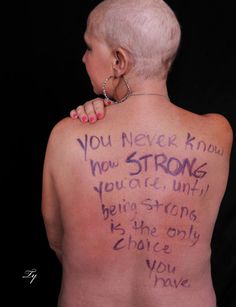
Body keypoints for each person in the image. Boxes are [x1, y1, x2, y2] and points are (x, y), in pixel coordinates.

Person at [41, 0, 233, 306]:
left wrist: (110, 108)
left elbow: (57, 241)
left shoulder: (66, 135)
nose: (83, 58)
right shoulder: (218, 133)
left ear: (119, 60)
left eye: (89, 47)